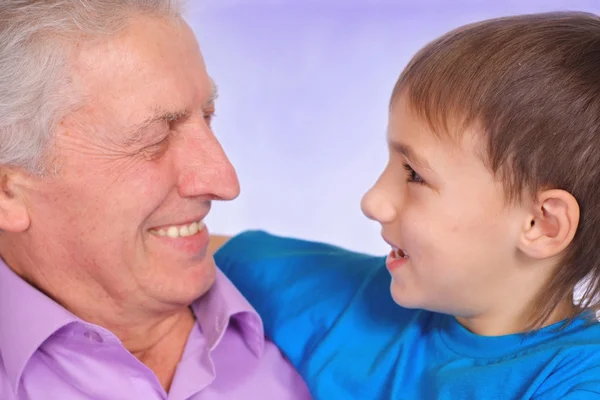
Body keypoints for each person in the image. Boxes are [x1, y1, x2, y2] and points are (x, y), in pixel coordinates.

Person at [212, 11, 600, 399]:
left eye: (414, 174)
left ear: (541, 224)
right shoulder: (346, 297)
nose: (373, 201)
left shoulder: (579, 383)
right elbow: (183, 257)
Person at [0, 1, 311, 399]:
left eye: (208, 115)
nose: (225, 181)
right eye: (155, 138)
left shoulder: (330, 317)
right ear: (7, 190)